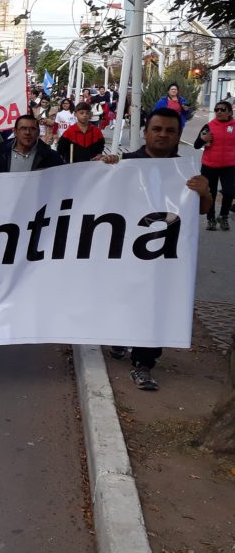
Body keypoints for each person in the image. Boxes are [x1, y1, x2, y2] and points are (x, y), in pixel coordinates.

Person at [100, 109, 214, 390]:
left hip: (164, 254)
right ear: (145, 132)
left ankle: (144, 362)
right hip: (125, 250)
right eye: (157, 129)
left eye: (170, 131)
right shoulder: (124, 164)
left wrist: (205, 192)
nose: (163, 135)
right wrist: (103, 169)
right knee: (125, 297)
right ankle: (118, 339)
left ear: (178, 135)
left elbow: (202, 209)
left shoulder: (186, 171)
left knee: (157, 304)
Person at [194, 99, 235, 231]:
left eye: (223, 109)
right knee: (209, 193)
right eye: (217, 110)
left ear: (229, 112)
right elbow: (196, 145)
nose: (219, 112)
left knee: (229, 192)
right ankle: (210, 219)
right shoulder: (209, 126)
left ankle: (223, 216)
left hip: (229, 166)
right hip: (209, 166)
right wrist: (203, 139)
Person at [0, 114, 66, 173]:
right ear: (15, 132)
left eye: (32, 129)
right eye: (23, 128)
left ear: (38, 132)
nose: (27, 132)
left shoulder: (51, 157)